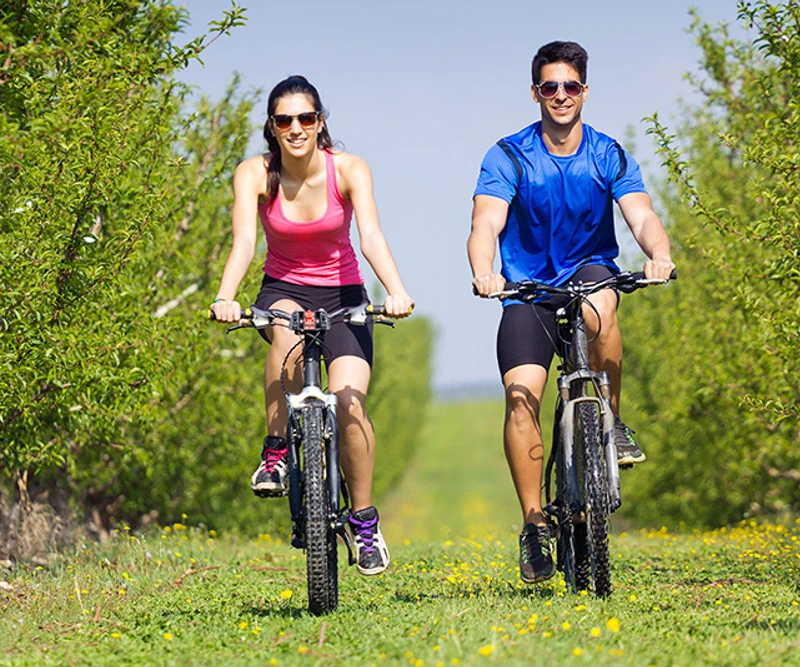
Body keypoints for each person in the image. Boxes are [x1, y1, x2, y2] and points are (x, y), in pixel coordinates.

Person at [467, 41, 675, 584]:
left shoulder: (607, 153)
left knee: (601, 303)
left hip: (588, 271)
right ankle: (534, 524)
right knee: (521, 399)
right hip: (527, 289)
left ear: (586, 90)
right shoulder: (508, 155)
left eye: (571, 86)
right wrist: (485, 270)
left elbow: (641, 215)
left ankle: (609, 420)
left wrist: (660, 254)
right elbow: (485, 223)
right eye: (550, 87)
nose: (560, 96)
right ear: (535, 92)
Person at [211, 75, 413, 576]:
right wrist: (225, 296)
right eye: (285, 120)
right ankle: (277, 450)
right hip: (283, 290)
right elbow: (242, 243)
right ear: (272, 128)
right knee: (284, 338)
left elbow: (371, 236)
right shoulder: (254, 174)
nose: (296, 128)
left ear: (320, 123)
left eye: (305, 118)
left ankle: (364, 521)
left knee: (349, 403)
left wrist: (396, 289)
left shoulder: (348, 169)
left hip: (344, 294)